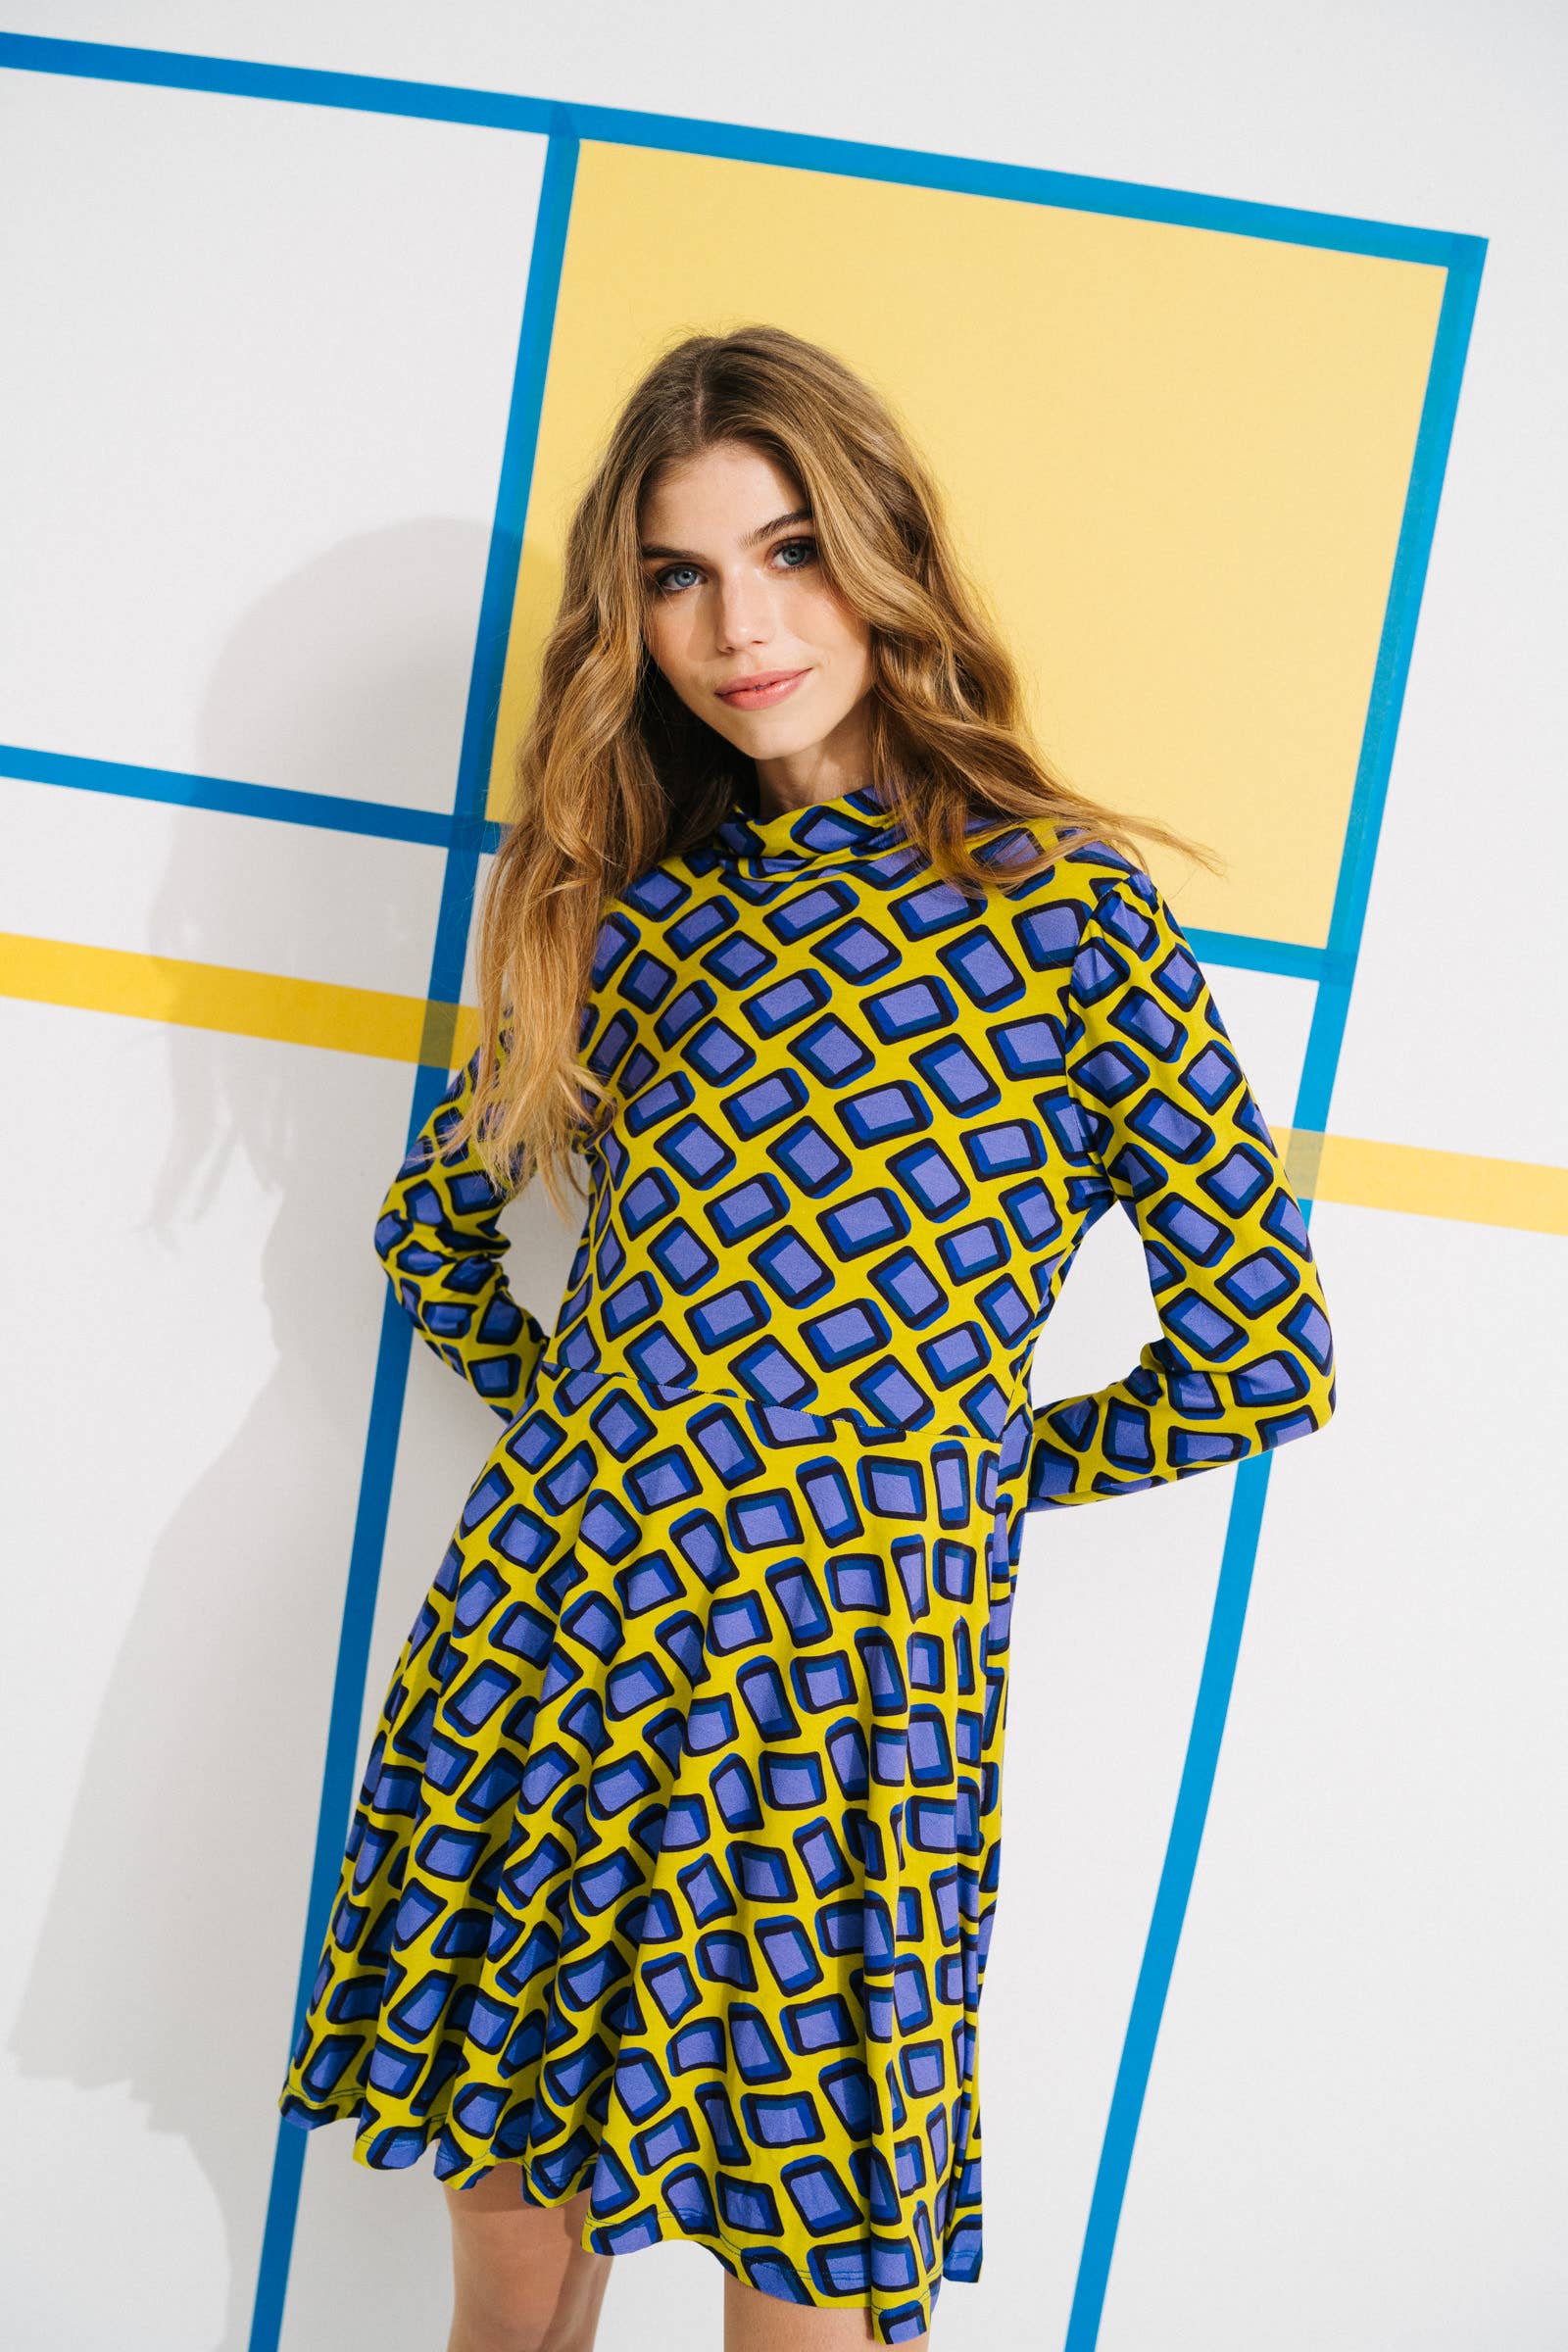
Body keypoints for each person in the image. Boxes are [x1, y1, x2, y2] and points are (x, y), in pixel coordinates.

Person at [277, 324, 1337, 2350]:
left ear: (884, 552)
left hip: (846, 1703)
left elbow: (1260, 1350)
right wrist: (613, 1430)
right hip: (565, 1635)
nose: (738, 628)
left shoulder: (1065, 912)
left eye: (787, 553)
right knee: (507, 2302)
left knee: (807, 2298)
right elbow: (435, 1229)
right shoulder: (634, 910)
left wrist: (920, 1480)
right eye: (676, 577)